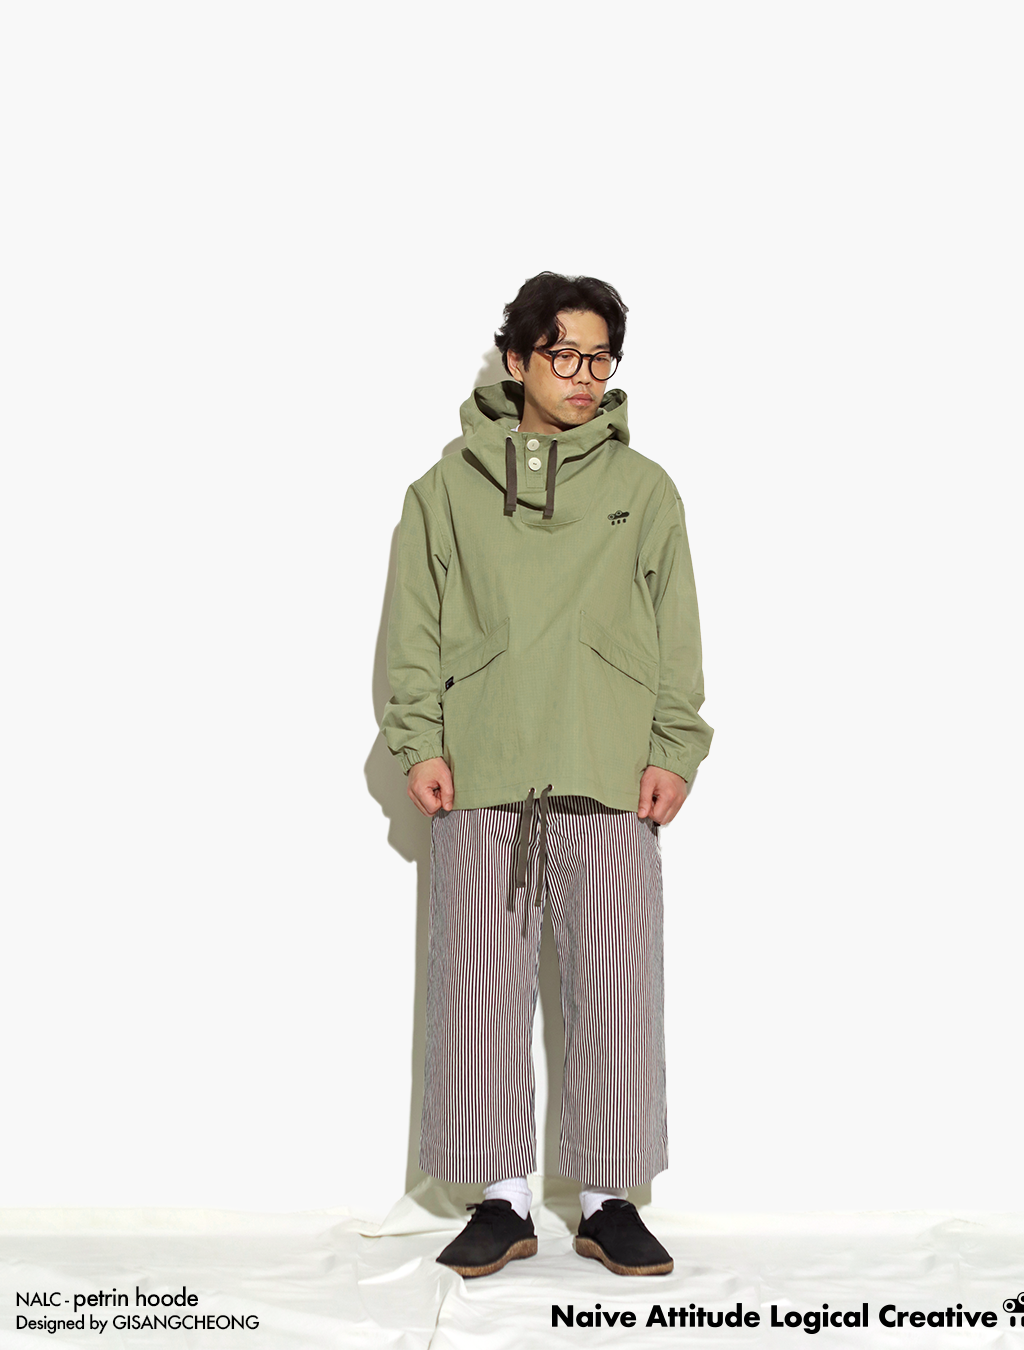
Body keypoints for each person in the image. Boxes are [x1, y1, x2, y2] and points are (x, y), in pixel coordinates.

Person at [382, 272, 712, 1278]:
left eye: (600, 357)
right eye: (564, 354)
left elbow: (676, 632)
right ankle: (501, 1199)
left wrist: (674, 747)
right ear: (518, 359)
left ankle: (610, 1201)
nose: (584, 375)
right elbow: (414, 626)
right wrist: (420, 741)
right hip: (484, 768)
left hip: (609, 769)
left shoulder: (645, 490)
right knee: (479, 991)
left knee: (616, 989)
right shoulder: (445, 490)